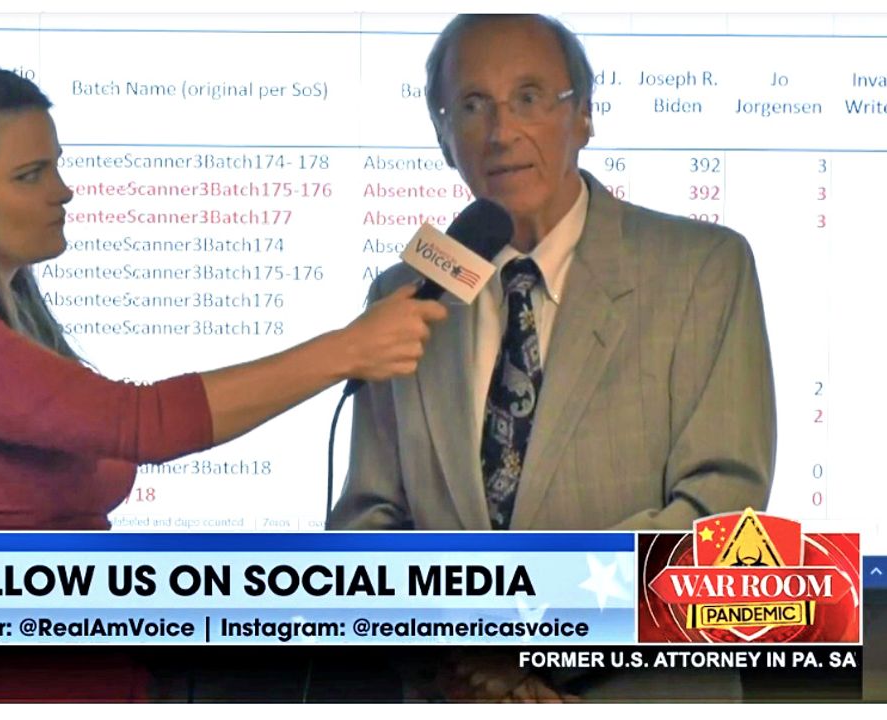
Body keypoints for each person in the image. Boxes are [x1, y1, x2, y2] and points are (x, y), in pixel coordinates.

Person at [0, 61, 446, 700]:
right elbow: (143, 423)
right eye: (30, 176)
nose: (63, 192)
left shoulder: (13, 324)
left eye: (56, 166)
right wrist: (347, 349)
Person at [328, 14, 777, 701]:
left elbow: (721, 508)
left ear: (584, 116)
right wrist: (460, 664)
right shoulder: (406, 295)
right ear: (443, 138)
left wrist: (529, 644)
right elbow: (370, 519)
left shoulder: (703, 269)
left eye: (530, 97)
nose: (501, 131)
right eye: (472, 105)